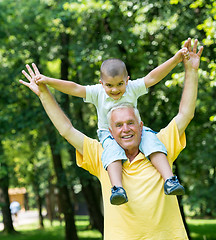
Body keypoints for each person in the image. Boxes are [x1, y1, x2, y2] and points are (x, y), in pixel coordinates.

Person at [19, 39, 203, 239]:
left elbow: (185, 113)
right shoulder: (103, 155)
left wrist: (190, 70)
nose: (125, 129)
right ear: (110, 131)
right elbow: (66, 129)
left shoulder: (160, 146)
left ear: (141, 125)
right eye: (118, 125)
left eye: (130, 123)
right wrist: (45, 91)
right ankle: (118, 189)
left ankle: (171, 181)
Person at [30, 45, 191, 205]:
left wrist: (176, 59)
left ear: (127, 81)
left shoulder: (132, 88)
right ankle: (117, 189)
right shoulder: (97, 92)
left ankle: (170, 180)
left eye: (120, 84)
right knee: (112, 153)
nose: (115, 90)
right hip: (108, 134)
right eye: (109, 85)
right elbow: (74, 87)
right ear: (101, 83)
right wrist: (48, 81)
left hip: (137, 131)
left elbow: (153, 77)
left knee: (153, 143)